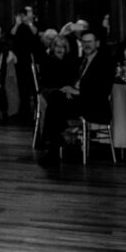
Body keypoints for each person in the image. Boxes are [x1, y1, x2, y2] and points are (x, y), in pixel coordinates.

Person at [39, 29, 115, 165]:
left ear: (97, 43)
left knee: (56, 101)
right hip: (79, 100)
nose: (86, 45)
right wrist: (70, 88)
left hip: (94, 103)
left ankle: (53, 145)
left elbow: (102, 89)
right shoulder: (82, 60)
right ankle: (56, 143)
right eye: (84, 42)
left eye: (89, 42)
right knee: (57, 97)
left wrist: (78, 92)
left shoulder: (104, 61)